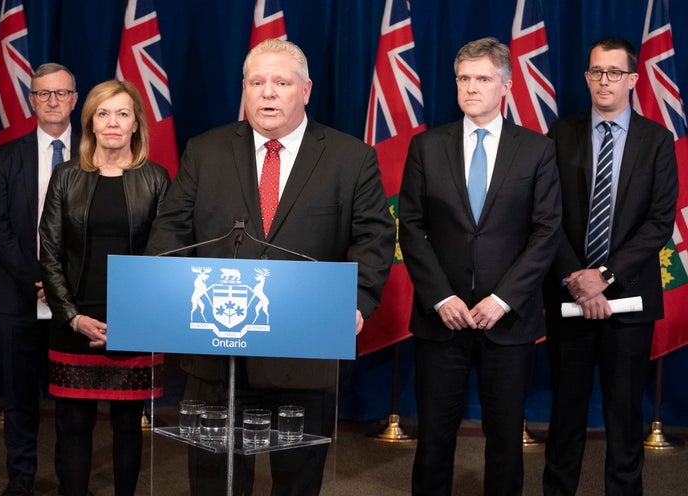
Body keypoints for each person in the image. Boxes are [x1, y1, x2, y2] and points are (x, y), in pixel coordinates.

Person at [144, 38, 395, 495]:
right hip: (216, 350)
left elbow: (374, 240)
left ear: (306, 90)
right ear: (244, 89)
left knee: (297, 478)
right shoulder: (206, 150)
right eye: (257, 82)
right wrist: (167, 293)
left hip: (304, 350)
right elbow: (171, 232)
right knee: (214, 478)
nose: (268, 93)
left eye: (281, 82)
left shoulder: (350, 157)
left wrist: (353, 304)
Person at [399, 37, 562, 495]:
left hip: (507, 321)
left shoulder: (535, 150)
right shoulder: (426, 147)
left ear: (506, 86)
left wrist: (505, 298)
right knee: (434, 436)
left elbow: (546, 232)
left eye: (483, 79)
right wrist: (440, 296)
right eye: (464, 78)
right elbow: (411, 227)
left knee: (506, 438)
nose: (472, 88)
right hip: (441, 318)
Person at [542, 37, 678, 496]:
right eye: (597, 71)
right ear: (586, 77)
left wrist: (604, 277)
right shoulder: (560, 135)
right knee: (566, 414)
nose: (605, 81)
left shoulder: (658, 141)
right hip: (568, 297)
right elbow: (547, 217)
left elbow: (659, 222)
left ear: (633, 80)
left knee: (624, 418)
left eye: (614, 72)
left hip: (631, 301)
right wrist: (577, 280)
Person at [39, 79, 170, 496]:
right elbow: (50, 253)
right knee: (73, 426)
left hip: (134, 325)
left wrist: (132, 319)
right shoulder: (65, 177)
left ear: (136, 126)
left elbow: (164, 256)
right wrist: (74, 318)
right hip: (75, 322)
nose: (112, 123)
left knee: (128, 428)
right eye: (103, 114)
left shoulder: (156, 178)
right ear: (91, 123)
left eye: (123, 114)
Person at [0, 63, 79, 496]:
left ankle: (70, 483)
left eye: (61, 93)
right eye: (43, 94)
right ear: (31, 101)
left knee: (73, 404)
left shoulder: (96, 154)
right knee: (19, 399)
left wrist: (62, 285)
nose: (53, 101)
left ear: (75, 99)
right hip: (16, 296)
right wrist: (40, 280)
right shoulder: (5, 155)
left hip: (76, 301)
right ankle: (20, 481)